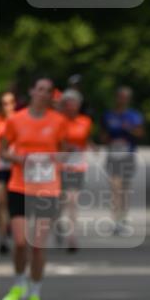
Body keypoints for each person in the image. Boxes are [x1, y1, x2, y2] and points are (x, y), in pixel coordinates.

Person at [0, 76, 68, 300]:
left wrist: (52, 160)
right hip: (20, 185)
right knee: (20, 242)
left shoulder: (58, 121)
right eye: (39, 89)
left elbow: (65, 152)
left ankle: (35, 294)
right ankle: (19, 284)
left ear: (51, 96)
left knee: (37, 245)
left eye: (47, 91)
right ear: (31, 92)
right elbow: (4, 150)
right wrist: (19, 159)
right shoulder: (16, 120)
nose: (42, 94)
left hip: (47, 187)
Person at [102, 86, 144, 234]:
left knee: (124, 188)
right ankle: (115, 220)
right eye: (120, 96)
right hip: (113, 155)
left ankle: (123, 217)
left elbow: (140, 134)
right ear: (116, 98)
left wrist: (129, 129)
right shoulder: (109, 115)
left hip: (128, 154)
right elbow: (103, 136)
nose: (122, 100)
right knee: (115, 188)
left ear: (129, 99)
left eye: (125, 97)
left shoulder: (134, 116)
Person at [57, 89, 93, 251]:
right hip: (59, 165)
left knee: (72, 200)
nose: (71, 107)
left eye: (74, 104)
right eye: (68, 104)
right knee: (60, 201)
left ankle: (72, 238)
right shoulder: (57, 121)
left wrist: (90, 147)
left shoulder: (85, 121)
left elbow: (85, 139)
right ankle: (58, 224)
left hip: (78, 165)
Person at [0, 90, 16, 253]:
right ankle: (2, 238)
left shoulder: (21, 120)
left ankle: (12, 229)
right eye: (4, 103)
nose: (7, 106)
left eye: (10, 103)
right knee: (1, 201)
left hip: (17, 167)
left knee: (13, 203)